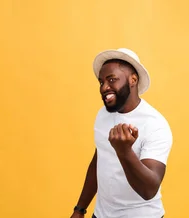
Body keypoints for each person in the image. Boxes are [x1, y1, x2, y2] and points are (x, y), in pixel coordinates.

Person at [70, 48, 173, 218]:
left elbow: (149, 190)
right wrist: (80, 209)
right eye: (101, 82)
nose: (104, 87)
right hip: (102, 215)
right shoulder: (103, 114)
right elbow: (99, 160)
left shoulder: (155, 124)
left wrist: (124, 151)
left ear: (133, 80)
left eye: (112, 80)